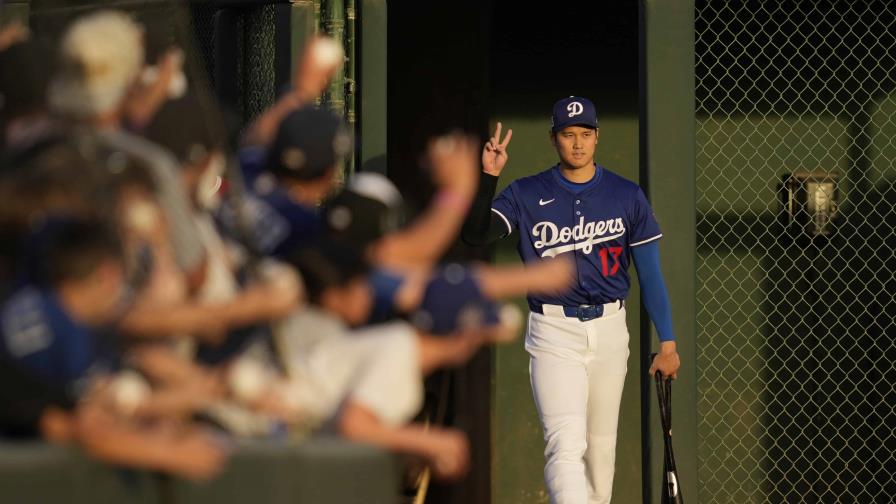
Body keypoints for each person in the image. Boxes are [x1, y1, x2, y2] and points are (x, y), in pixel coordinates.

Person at [462, 96, 681, 504]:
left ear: (597, 138)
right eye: (568, 134)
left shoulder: (626, 195)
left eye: (585, 134)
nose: (577, 143)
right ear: (553, 139)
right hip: (553, 331)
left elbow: (650, 275)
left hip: (610, 329)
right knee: (564, 444)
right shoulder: (526, 192)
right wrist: (488, 177)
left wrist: (667, 342)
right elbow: (476, 234)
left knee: (600, 453)